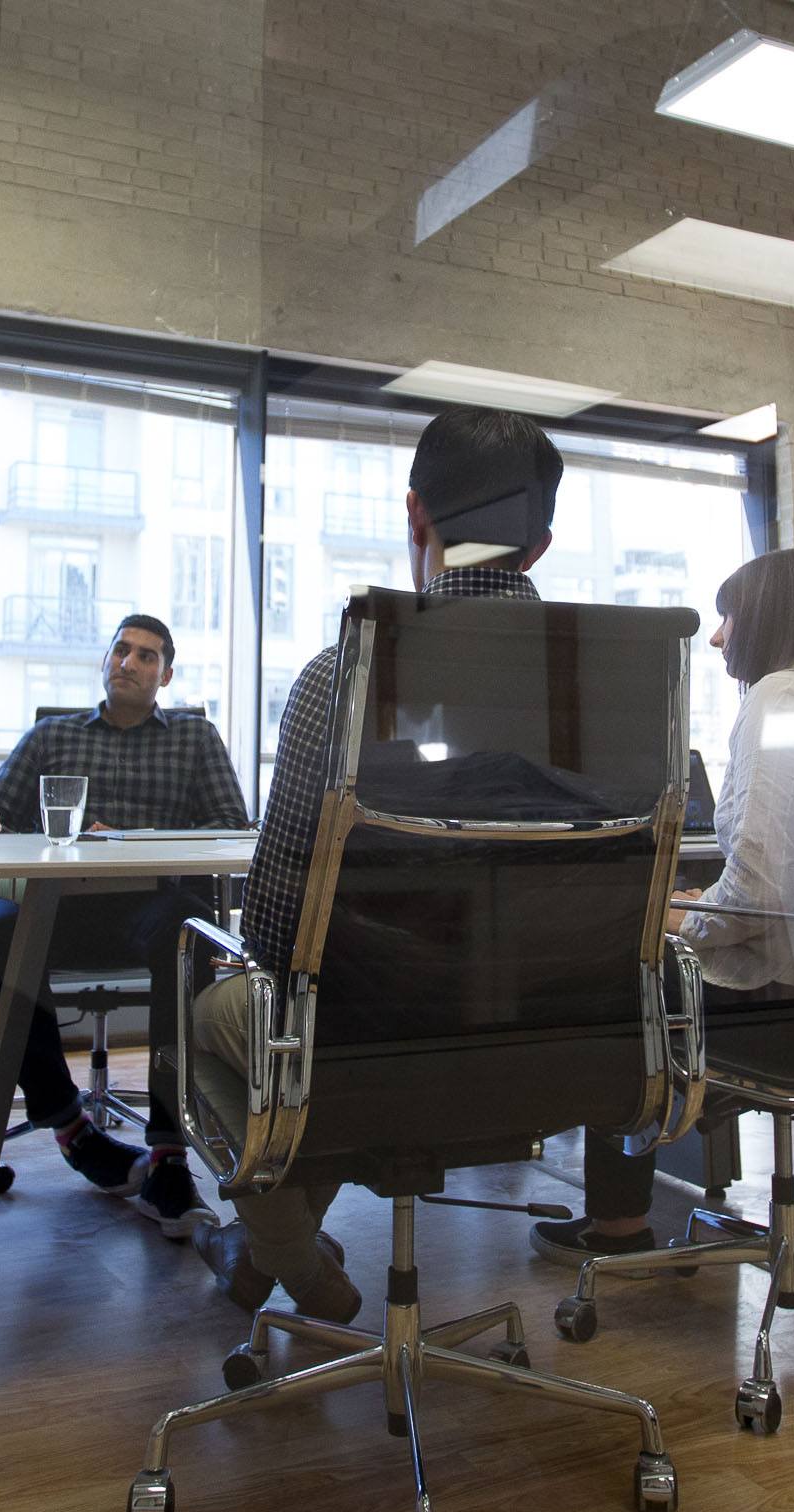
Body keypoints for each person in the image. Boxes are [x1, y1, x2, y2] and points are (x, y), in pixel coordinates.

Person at [183, 406, 563, 1322]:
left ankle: (284, 1254)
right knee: (348, 1020)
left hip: (367, 1040)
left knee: (219, 1012)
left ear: (415, 516)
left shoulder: (344, 673)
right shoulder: (617, 685)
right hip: (557, 1044)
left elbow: (278, 924)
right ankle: (270, 1252)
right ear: (539, 544)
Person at [527, 547, 794, 1267]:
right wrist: (699, 907)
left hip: (786, 1006)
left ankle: (618, 1225)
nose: (718, 636)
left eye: (728, 615)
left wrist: (675, 913)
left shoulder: (777, 700)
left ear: (770, 619)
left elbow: (759, 897)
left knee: (614, 966)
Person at [0, 614, 251, 1237]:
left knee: (188, 936)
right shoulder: (52, 735)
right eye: (121, 650)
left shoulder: (194, 739)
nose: (129, 662)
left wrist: (136, 841)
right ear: (104, 661)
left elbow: (232, 824)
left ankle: (169, 1152)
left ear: (166, 675)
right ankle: (70, 1126)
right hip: (60, 905)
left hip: (150, 906)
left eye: (146, 656)